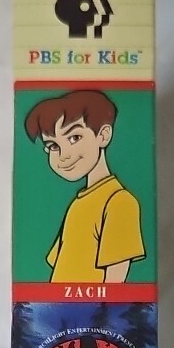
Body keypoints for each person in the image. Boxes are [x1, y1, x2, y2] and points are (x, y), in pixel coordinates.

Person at [24, 89, 146, 284]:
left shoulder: (119, 202)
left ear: (103, 135)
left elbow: (115, 286)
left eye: (74, 138)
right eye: (53, 146)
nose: (64, 155)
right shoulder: (78, 203)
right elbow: (60, 269)